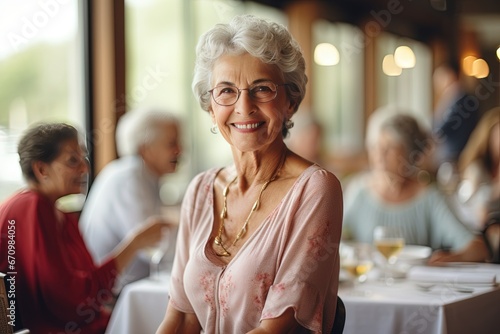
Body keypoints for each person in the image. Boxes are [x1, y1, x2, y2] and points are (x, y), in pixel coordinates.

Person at [156, 15, 343, 334]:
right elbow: (182, 318)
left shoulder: (316, 189)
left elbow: (277, 329)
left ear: (291, 101)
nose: (244, 107)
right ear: (210, 107)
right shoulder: (201, 189)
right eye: (226, 91)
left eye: (262, 89)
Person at [0, 122, 169, 333]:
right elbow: (69, 299)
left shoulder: (60, 215)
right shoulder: (30, 207)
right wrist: (134, 244)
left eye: (84, 159)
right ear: (42, 169)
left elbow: (86, 290)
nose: (85, 168)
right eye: (73, 161)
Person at [342, 109, 488, 264]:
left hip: (416, 285)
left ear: (410, 151)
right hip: (367, 285)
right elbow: (333, 241)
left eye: (390, 147)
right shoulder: (359, 192)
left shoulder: (430, 198)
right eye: (374, 146)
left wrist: (450, 259)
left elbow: (478, 249)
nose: (379, 155)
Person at [79, 108, 181, 291]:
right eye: (171, 144)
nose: (180, 150)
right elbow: (153, 246)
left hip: (129, 288)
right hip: (109, 297)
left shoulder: (144, 176)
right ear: (146, 149)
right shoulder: (129, 176)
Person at [432, 61, 481, 169]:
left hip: (457, 156)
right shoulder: (449, 97)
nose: (436, 82)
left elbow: (445, 127)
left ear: (450, 75)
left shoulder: (464, 100)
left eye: (440, 77)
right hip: (447, 156)